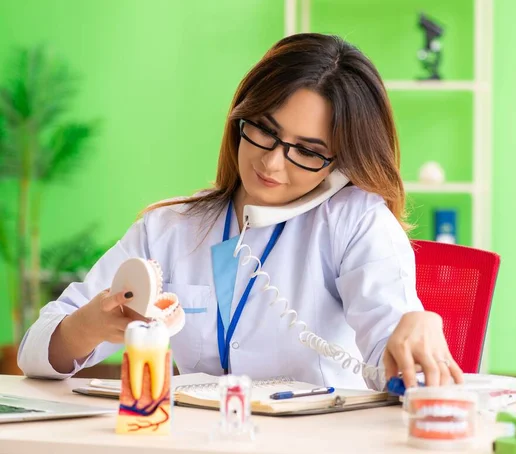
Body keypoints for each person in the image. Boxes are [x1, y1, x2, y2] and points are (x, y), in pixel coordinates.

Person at [18, 33, 463, 391]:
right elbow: (34, 351)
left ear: (341, 163)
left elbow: (397, 359)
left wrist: (414, 329)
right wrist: (89, 325)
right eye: (264, 131)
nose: (271, 163)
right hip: (194, 439)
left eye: (307, 151)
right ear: (240, 118)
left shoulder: (355, 221)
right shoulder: (170, 226)